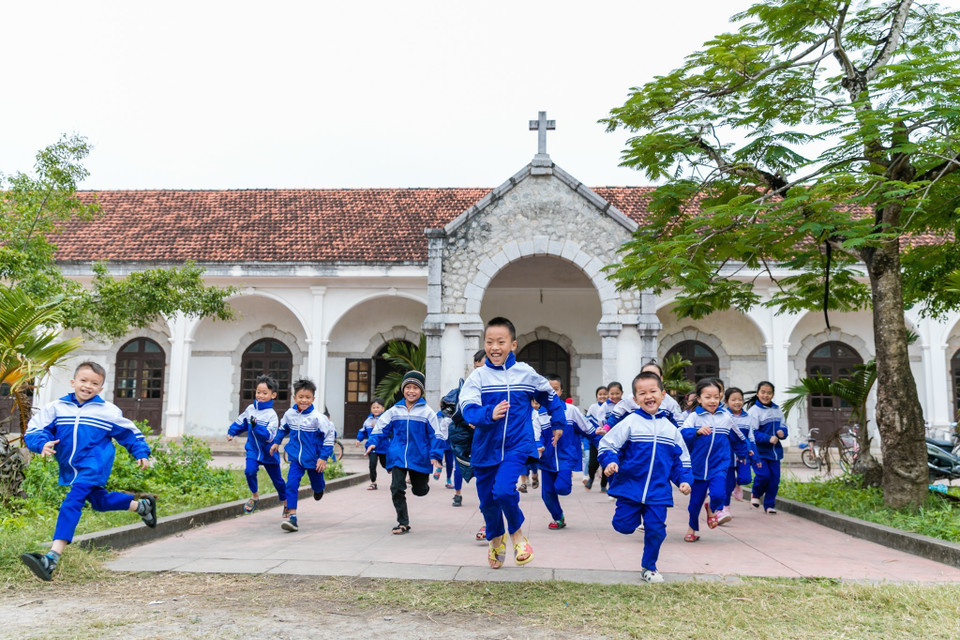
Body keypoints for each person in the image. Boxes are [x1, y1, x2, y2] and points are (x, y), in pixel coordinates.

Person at [20, 362, 156, 582]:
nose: (88, 386)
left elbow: (130, 433)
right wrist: (41, 444)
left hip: (95, 464)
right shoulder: (56, 407)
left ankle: (52, 558)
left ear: (101, 388)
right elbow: (36, 429)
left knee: (72, 502)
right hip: (70, 466)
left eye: (95, 383)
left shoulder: (107, 412)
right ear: (73, 382)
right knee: (99, 502)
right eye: (83, 381)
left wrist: (141, 452)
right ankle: (142, 506)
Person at [459, 316, 566, 569]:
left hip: (516, 445)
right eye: (489, 342)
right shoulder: (478, 377)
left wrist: (558, 422)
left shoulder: (525, 373)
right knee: (487, 502)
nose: (495, 347)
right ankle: (496, 539)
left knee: (505, 491)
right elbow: (467, 408)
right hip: (485, 448)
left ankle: (517, 534)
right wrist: (488, 414)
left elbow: (549, 395)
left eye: (501, 342)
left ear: (513, 344)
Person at [598, 371, 693, 583]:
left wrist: (684, 480)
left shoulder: (671, 429)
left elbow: (681, 460)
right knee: (622, 526)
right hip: (630, 487)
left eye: (653, 391)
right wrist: (610, 462)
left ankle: (649, 567)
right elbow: (607, 444)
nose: (648, 396)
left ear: (663, 395)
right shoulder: (630, 422)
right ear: (635, 399)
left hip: (658, 491)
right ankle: (635, 515)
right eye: (642, 393)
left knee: (657, 530)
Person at [366, 370, 445, 534]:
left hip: (419, 457)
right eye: (408, 387)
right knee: (396, 487)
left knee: (420, 491)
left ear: (421, 391)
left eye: (415, 388)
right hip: (398, 455)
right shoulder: (394, 411)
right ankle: (403, 522)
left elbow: (436, 435)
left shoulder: (427, 412)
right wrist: (372, 443)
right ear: (403, 390)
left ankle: (422, 486)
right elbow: (380, 428)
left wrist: (435, 455)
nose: (411, 391)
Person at [680, 378, 748, 542]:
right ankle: (692, 529)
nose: (712, 401)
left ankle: (711, 508)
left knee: (718, 494)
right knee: (694, 504)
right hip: (697, 467)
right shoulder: (694, 417)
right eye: (708, 397)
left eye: (716, 397)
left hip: (719, 465)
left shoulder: (726, 417)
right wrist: (696, 432)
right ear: (699, 398)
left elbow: (738, 437)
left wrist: (744, 453)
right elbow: (681, 433)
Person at [270, 378, 335, 532]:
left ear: (313, 399)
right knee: (291, 484)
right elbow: (283, 428)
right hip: (296, 459)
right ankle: (292, 517)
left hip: (314, 459)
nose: (304, 400)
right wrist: (276, 442)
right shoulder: (290, 414)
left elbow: (329, 437)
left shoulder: (318, 418)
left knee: (316, 484)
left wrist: (323, 457)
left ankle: (319, 489)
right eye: (301, 397)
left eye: (307, 397)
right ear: (295, 398)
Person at [539, 375, 602, 530]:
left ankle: (565, 476)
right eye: (548, 390)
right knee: (546, 493)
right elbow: (535, 434)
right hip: (547, 460)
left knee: (562, 488)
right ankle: (558, 517)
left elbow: (586, 428)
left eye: (555, 389)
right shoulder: (539, 414)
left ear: (561, 391)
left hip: (566, 457)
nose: (551, 393)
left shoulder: (571, 410)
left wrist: (599, 441)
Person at [227, 374, 287, 515]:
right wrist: (232, 432)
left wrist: (255, 427)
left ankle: (286, 503)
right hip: (253, 450)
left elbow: (269, 436)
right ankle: (255, 496)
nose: (260, 395)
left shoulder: (272, 415)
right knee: (249, 471)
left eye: (264, 393)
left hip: (269, 452)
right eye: (258, 392)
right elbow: (241, 422)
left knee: (277, 481)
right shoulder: (250, 409)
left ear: (273, 395)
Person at [600, 362, 685, 432]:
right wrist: (605, 429)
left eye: (654, 375)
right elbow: (616, 416)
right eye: (645, 375)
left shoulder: (671, 403)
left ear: (661, 378)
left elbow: (679, 428)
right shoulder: (630, 400)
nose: (649, 379)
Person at [718, 387, 758, 521]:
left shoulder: (747, 417)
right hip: (728, 456)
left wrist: (754, 455)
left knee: (746, 478)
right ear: (726, 401)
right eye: (733, 400)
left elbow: (751, 437)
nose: (737, 402)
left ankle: (738, 484)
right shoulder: (723, 415)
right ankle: (725, 508)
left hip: (743, 455)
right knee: (727, 484)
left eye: (740, 400)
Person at [748, 381, 787, 514]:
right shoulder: (754, 411)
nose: (765, 395)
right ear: (758, 393)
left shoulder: (777, 410)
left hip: (775, 453)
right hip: (759, 452)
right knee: (763, 475)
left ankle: (769, 505)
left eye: (769, 393)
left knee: (774, 480)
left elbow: (784, 426)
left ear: (773, 394)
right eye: (763, 392)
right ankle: (755, 494)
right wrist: (767, 438)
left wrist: (783, 433)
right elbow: (751, 432)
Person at [356, 398, 387, 490]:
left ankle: (395, 473)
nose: (376, 409)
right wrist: (359, 439)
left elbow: (388, 431)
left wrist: (377, 426)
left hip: (383, 446)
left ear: (383, 409)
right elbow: (363, 431)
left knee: (385, 464)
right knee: (372, 464)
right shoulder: (368, 420)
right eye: (373, 407)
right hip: (371, 447)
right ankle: (373, 482)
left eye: (378, 407)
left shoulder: (385, 419)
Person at [583, 385, 607, 488]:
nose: (602, 396)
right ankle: (591, 477)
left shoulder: (610, 407)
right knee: (592, 463)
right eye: (600, 394)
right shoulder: (593, 407)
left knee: (606, 463)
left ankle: (603, 485)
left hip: (607, 440)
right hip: (595, 439)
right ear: (596, 396)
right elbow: (588, 423)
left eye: (605, 394)